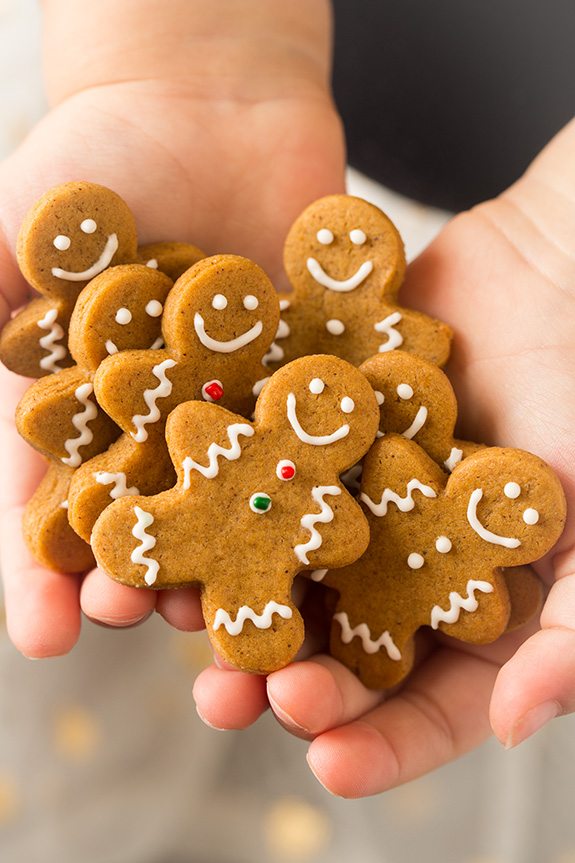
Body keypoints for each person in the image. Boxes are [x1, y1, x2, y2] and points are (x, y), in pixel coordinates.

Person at [1, 0, 573, 799]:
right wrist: (171, 63)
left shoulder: (318, 482)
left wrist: (557, 250)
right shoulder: (215, 433)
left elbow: (337, 521)